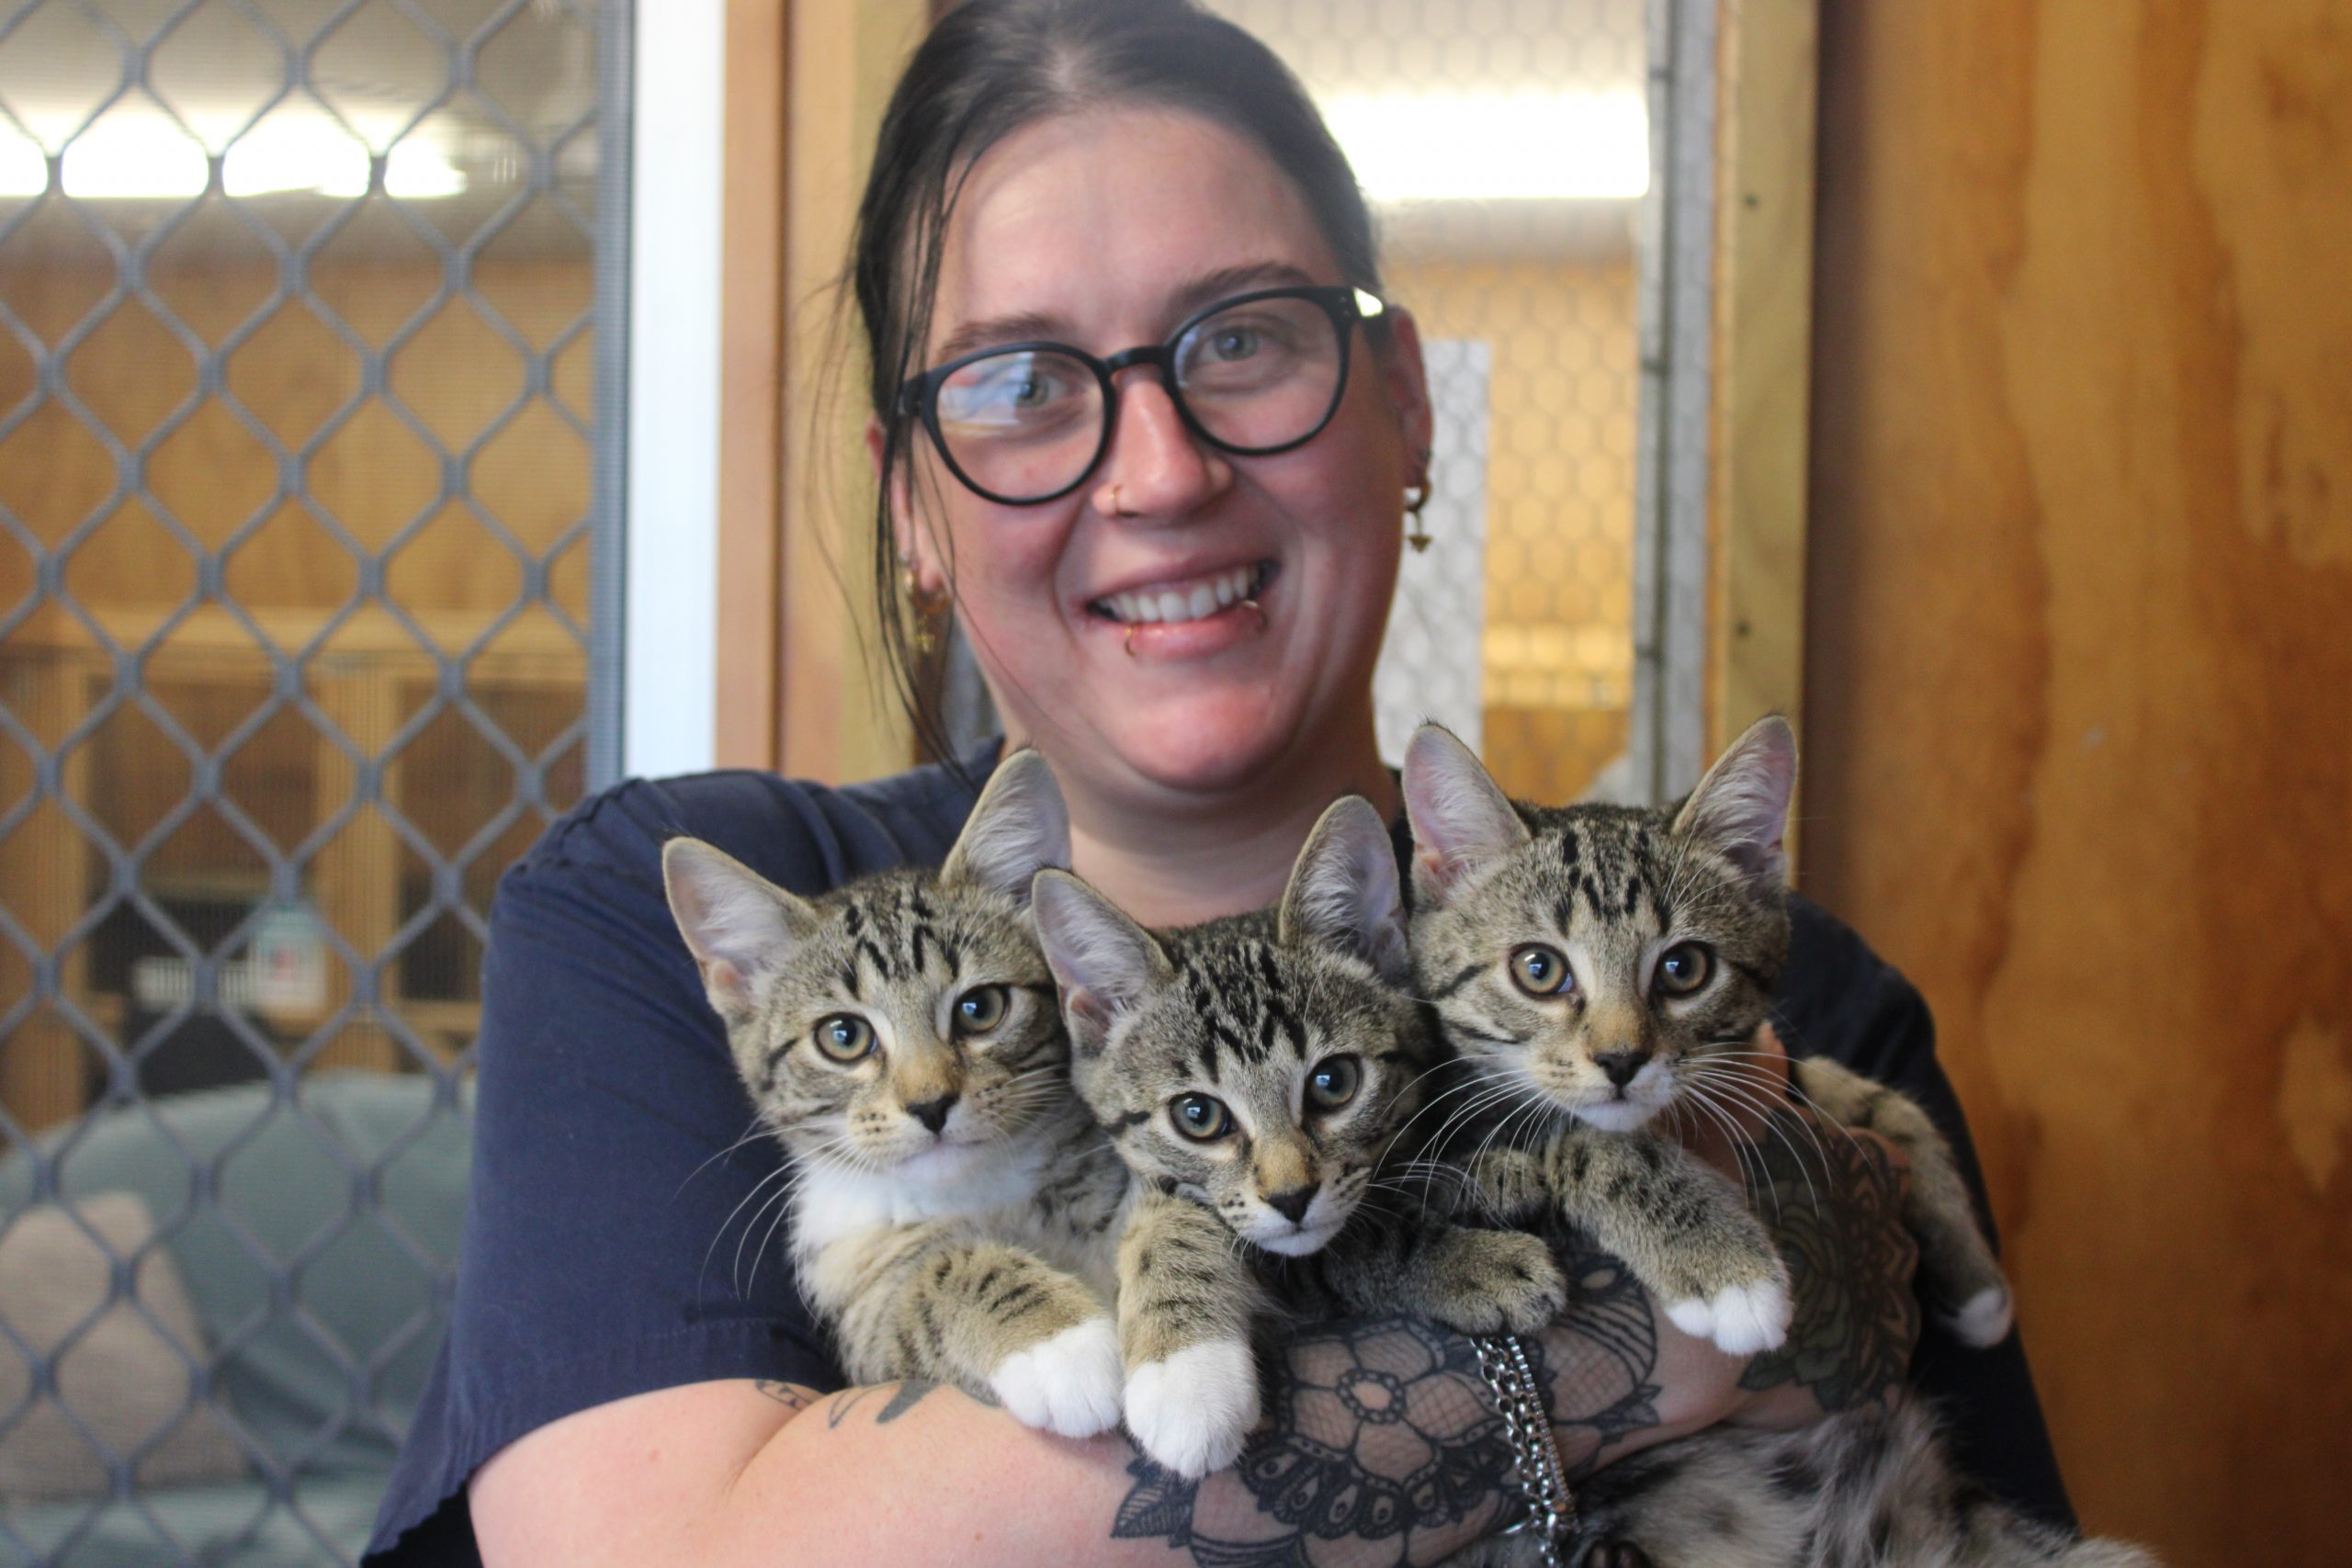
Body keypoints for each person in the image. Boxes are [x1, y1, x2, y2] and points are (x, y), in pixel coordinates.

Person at [366, 3, 2073, 1562]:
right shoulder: (677, 915)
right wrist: (1623, 1365)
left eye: (1241, 340)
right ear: (913, 509)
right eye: (1024, 385)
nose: (1163, 473)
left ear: (1404, 405)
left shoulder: (1791, 990)